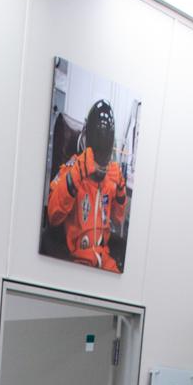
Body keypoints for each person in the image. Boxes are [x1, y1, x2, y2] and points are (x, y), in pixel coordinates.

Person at [45, 99, 129, 273]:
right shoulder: (72, 169)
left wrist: (121, 191)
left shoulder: (110, 178)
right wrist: (75, 177)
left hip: (103, 258)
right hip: (76, 260)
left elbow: (118, 219)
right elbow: (53, 216)